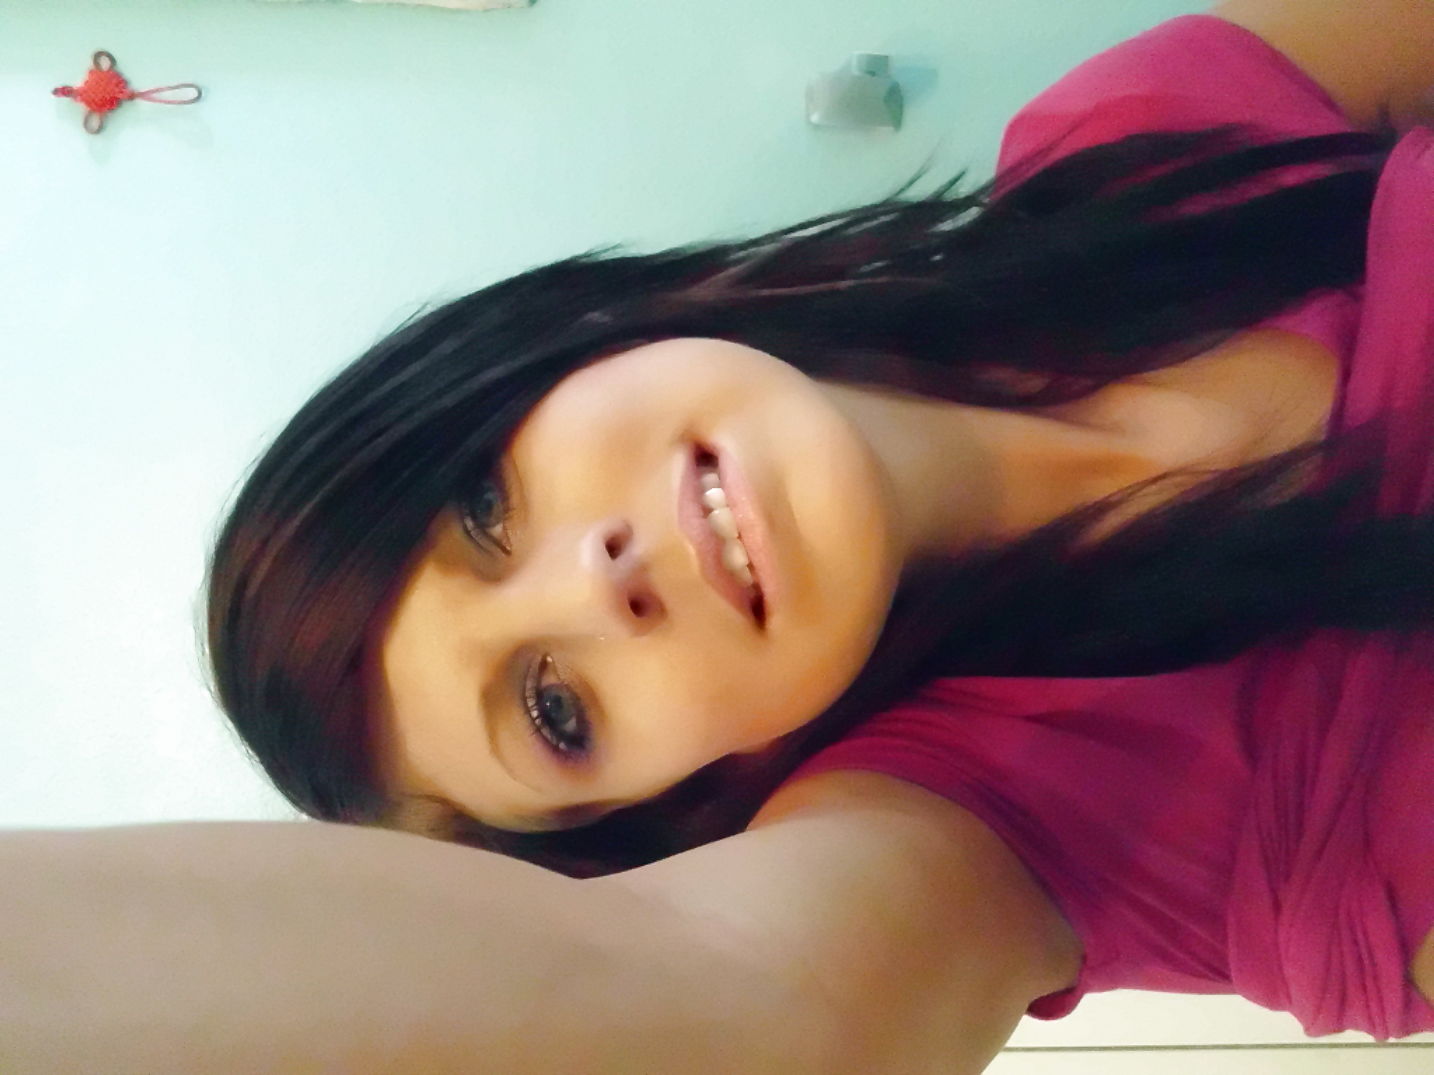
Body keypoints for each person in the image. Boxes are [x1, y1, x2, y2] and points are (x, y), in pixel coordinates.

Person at [4, 4, 1432, 1072]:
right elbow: (731, 1002)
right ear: (679, 799)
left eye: (486, 508)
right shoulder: (994, 833)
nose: (597, 586)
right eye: (556, 710)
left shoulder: (1137, 129)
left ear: (545, 351)